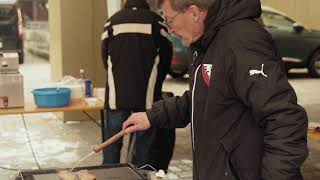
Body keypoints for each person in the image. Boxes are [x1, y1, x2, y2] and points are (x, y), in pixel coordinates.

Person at [122, 0, 309, 179]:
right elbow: (202, 97)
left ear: (194, 13)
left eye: (169, 20)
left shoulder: (242, 41)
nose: (170, 30)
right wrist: (151, 116)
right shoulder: (206, 41)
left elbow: (285, 119)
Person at [100, 0, 174, 169]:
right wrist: (155, 85)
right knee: (143, 155)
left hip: (115, 99)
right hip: (146, 100)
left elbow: (104, 57)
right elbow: (165, 60)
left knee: (111, 153)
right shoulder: (157, 22)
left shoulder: (112, 22)